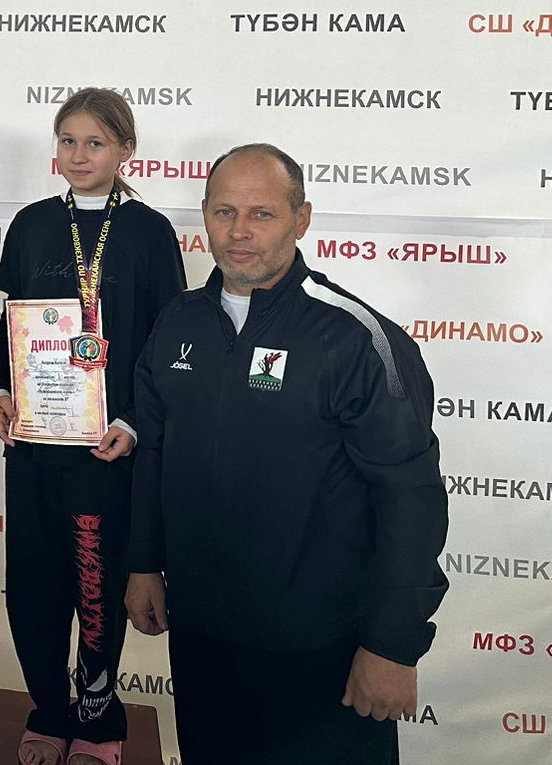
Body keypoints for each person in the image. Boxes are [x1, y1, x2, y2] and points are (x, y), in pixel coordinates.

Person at [124, 143, 450, 765]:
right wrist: (143, 562)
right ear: (204, 215)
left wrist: (393, 644)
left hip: (321, 646)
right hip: (203, 638)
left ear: (301, 220)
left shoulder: (354, 337)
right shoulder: (177, 323)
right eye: (224, 212)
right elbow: (155, 455)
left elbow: (409, 496)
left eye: (262, 214)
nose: (239, 232)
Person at [0, 89, 186, 765]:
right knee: (34, 587)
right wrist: (0, 388)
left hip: (106, 449)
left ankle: (99, 722)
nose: (78, 155)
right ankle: (48, 708)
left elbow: (165, 341)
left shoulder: (150, 232)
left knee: (95, 590)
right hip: (36, 442)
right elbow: (12, 321)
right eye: (67, 141)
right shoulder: (33, 223)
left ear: (126, 150)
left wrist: (134, 419)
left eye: (94, 143)